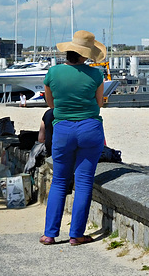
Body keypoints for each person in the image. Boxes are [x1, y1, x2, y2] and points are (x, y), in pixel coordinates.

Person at [39, 30, 106, 246]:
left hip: (62, 129)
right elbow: (99, 105)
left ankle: (49, 234)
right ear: (84, 54)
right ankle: (76, 234)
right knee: (84, 182)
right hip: (89, 128)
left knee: (59, 181)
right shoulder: (96, 75)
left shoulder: (53, 73)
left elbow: (51, 104)